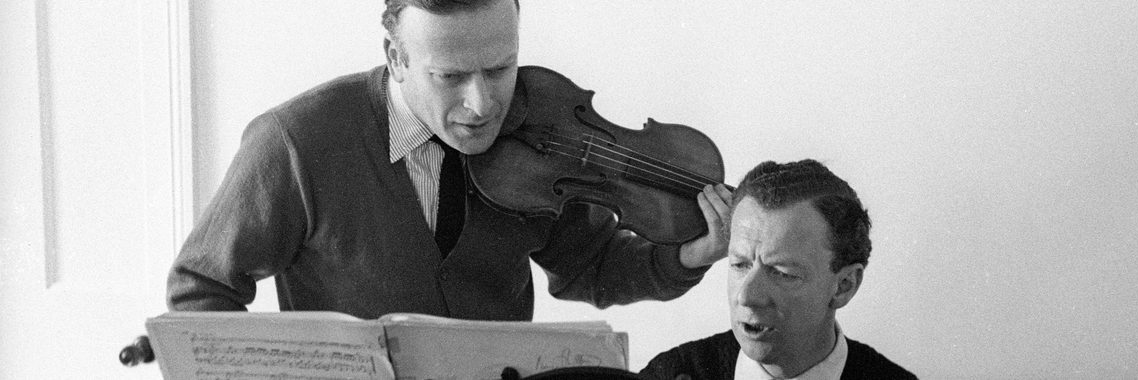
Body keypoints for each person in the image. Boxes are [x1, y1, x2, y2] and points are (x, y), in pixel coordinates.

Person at [165, 0, 732, 321]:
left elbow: (591, 266)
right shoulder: (294, 142)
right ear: (397, 56)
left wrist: (690, 253)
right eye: (451, 76)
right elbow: (201, 291)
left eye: (500, 68)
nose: (483, 105)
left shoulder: (544, 128)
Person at [640, 160, 914, 380]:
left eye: (782, 273)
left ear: (844, 286)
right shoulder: (671, 371)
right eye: (739, 264)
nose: (747, 296)